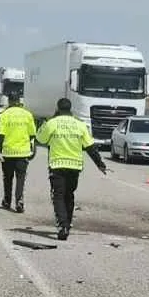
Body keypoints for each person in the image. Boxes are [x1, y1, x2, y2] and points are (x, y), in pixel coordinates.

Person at [35, 98, 107, 241]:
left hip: (57, 165)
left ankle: (63, 225)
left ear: (58, 108)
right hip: (75, 166)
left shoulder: (52, 123)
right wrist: (100, 164)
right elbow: (90, 147)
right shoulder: (80, 125)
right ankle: (68, 222)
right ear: (70, 109)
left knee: (58, 196)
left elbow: (40, 139)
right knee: (69, 195)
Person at [0, 92, 36, 213]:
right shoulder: (27, 115)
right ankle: (19, 201)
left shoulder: (4, 115)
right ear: (19, 101)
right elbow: (32, 134)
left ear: (9, 101)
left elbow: (0, 135)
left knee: (7, 178)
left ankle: (7, 200)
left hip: (8, 152)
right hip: (23, 152)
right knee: (21, 178)